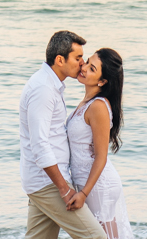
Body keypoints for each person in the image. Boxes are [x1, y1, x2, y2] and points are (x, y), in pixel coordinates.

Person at [20, 31, 107, 239]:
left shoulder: (50, 85)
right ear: (60, 60)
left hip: (43, 181)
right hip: (49, 183)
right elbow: (39, 145)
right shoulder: (44, 90)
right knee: (96, 237)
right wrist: (64, 189)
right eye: (78, 59)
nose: (82, 65)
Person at [67, 49, 132, 239]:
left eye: (92, 68)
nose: (84, 67)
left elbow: (101, 157)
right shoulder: (87, 102)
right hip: (87, 183)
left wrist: (84, 193)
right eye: (87, 61)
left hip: (98, 186)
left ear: (102, 81)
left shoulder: (98, 107)